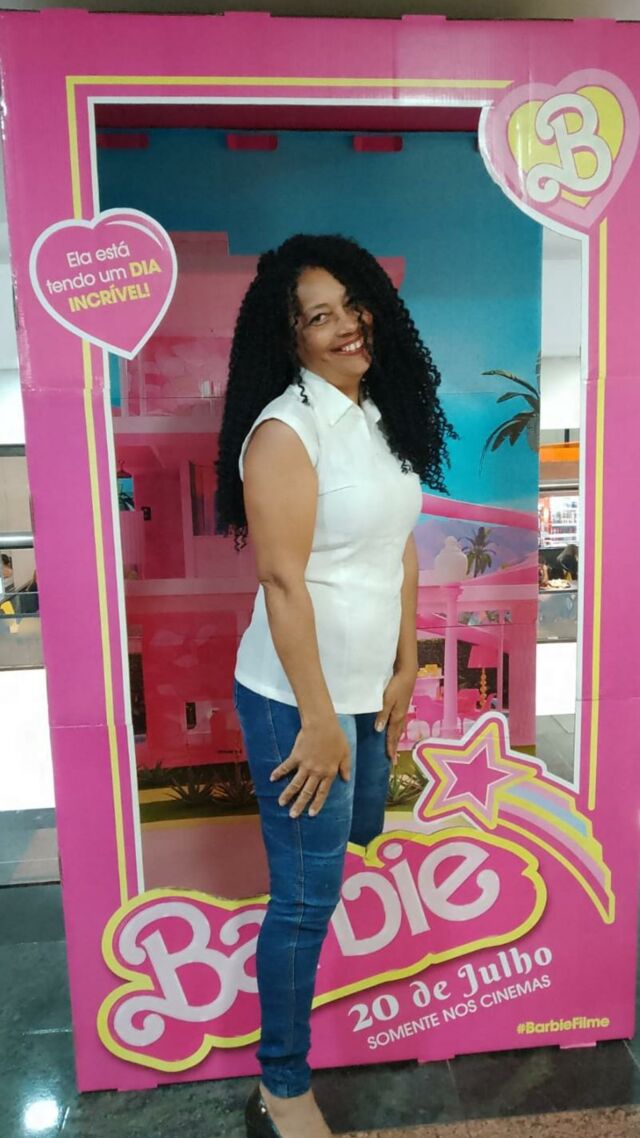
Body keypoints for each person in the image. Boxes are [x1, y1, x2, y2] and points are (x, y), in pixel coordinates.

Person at [215, 234, 455, 1138]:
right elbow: (283, 582)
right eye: (320, 317)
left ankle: (289, 1057)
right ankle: (282, 1084)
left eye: (353, 305)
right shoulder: (287, 430)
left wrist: (407, 660)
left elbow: (397, 545)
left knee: (356, 838)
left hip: (364, 689)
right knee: (306, 897)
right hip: (296, 698)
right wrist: (318, 719)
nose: (348, 326)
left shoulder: (379, 415)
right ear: (292, 338)